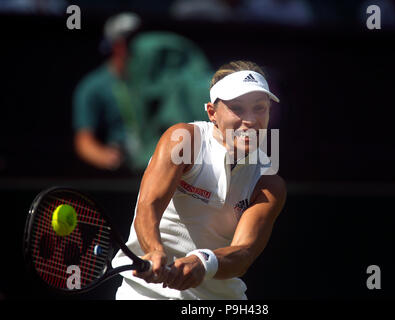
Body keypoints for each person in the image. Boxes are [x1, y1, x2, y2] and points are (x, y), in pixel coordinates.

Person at [112, 60, 287, 299]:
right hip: (144, 293)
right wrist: (154, 250)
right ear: (212, 113)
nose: (251, 120)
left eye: (260, 108)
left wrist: (204, 261)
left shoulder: (269, 182)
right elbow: (148, 206)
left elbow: (244, 253)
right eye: (237, 107)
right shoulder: (183, 140)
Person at [72, 12, 141, 171]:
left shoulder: (157, 81)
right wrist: (108, 158)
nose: (136, 47)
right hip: (120, 172)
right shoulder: (92, 86)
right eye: (129, 41)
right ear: (115, 45)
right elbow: (84, 141)